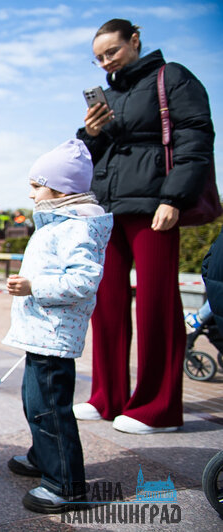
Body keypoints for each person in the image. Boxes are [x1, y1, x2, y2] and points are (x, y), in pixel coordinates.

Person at [75, 18, 214, 434]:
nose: (105, 62)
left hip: (155, 204)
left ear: (134, 40)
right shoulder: (112, 93)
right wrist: (91, 132)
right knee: (108, 304)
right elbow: (90, 154)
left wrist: (174, 197)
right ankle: (108, 397)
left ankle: (158, 408)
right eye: (98, 57)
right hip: (110, 207)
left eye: (112, 52)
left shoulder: (172, 78)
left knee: (157, 304)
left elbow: (195, 137)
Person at [3, 139, 113, 513]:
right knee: (36, 403)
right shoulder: (60, 224)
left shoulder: (78, 228)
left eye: (37, 185)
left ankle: (65, 484)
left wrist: (34, 287)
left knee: (50, 408)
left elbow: (83, 281)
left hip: (54, 338)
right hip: (42, 333)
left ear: (62, 189)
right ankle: (42, 457)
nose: (31, 193)